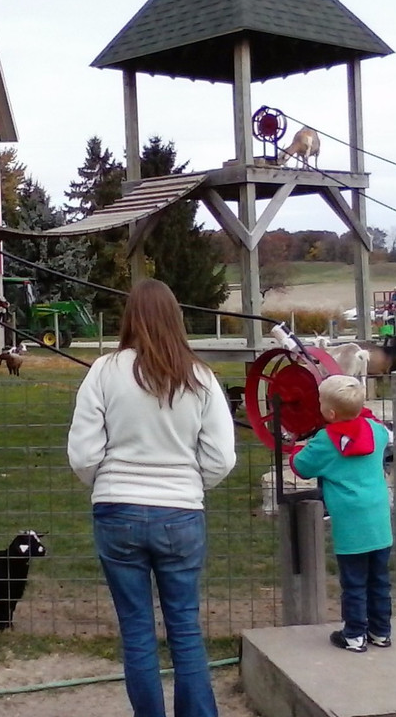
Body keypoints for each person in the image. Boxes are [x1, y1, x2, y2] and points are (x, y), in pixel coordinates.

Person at [67, 278, 236, 717]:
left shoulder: (103, 371)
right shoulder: (200, 375)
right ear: (175, 318)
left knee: (137, 630)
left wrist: (103, 483)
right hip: (180, 512)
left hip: (116, 510)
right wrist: (191, 485)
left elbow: (83, 452)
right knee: (185, 628)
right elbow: (221, 456)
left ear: (130, 318)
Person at [290, 375, 393, 652]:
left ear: (330, 413)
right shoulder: (375, 430)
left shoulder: (325, 441)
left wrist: (296, 447)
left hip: (350, 524)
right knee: (379, 580)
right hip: (379, 519)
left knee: (354, 582)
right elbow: (378, 426)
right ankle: (381, 632)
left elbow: (301, 466)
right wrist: (360, 414)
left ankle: (354, 635)